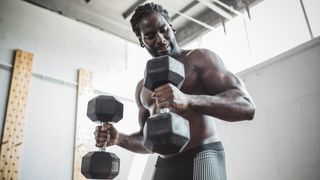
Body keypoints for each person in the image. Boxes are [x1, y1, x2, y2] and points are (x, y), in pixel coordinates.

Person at [94, 2, 256, 180]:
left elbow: (246, 106)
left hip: (202, 155)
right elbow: (148, 142)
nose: (160, 39)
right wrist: (119, 139)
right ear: (141, 41)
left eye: (164, 30)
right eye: (150, 35)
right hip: (165, 166)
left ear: (172, 27)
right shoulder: (142, 88)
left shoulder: (198, 58)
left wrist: (188, 100)